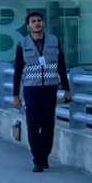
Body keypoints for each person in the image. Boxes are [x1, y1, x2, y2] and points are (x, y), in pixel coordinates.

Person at [16, 10, 70, 172]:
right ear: (28, 26)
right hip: (31, 90)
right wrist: (15, 96)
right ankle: (37, 159)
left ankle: (44, 156)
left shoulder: (54, 41)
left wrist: (67, 89)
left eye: (39, 20)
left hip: (50, 89)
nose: (37, 23)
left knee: (48, 125)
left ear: (43, 23)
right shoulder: (22, 44)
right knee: (33, 124)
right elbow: (17, 71)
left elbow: (61, 66)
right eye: (33, 21)